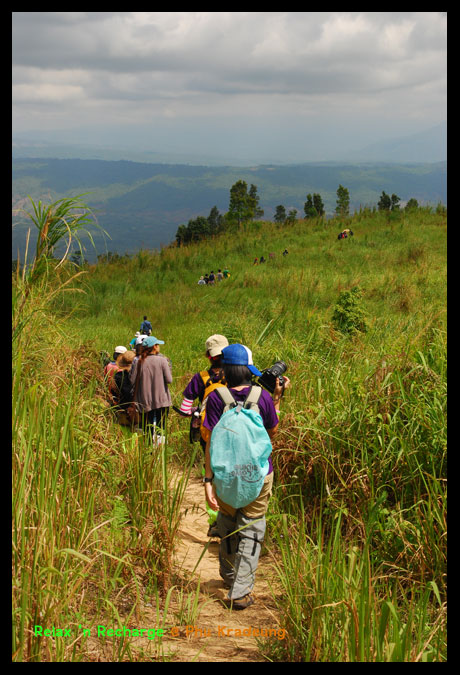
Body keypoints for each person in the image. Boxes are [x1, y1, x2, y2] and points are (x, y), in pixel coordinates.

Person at [203, 343, 290, 610]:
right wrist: (276, 398)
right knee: (252, 526)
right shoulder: (262, 397)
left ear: (226, 369)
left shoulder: (217, 398)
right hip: (258, 476)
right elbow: (272, 432)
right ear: (247, 369)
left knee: (228, 523)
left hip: (226, 476)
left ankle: (229, 577)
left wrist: (208, 480)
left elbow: (209, 441)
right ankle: (240, 591)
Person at [178, 334, 229, 536]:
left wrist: (195, 412)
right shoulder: (237, 376)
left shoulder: (201, 378)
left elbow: (185, 408)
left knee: (211, 473)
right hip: (234, 433)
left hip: (209, 433)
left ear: (208, 356)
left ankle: (215, 519)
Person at [130, 335, 172, 442]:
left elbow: (132, 380)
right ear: (154, 347)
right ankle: (159, 453)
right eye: (157, 345)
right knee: (160, 428)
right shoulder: (162, 360)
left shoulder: (139, 361)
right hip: (161, 400)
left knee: (147, 427)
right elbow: (169, 380)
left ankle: (148, 449)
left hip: (144, 401)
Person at [111, 350, 135, 424]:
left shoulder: (118, 376)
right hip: (137, 409)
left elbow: (113, 391)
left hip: (122, 407)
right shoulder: (139, 376)